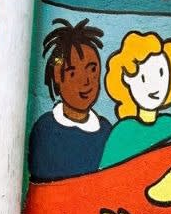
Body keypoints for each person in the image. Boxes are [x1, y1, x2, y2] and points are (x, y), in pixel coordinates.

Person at [27, 18, 112, 181]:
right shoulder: (45, 128)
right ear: (58, 76)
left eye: (92, 69)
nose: (86, 81)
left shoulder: (106, 132)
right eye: (73, 73)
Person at [98, 30, 171, 168]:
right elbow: (106, 177)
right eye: (144, 78)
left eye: (161, 73)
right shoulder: (122, 133)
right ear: (126, 79)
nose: (154, 86)